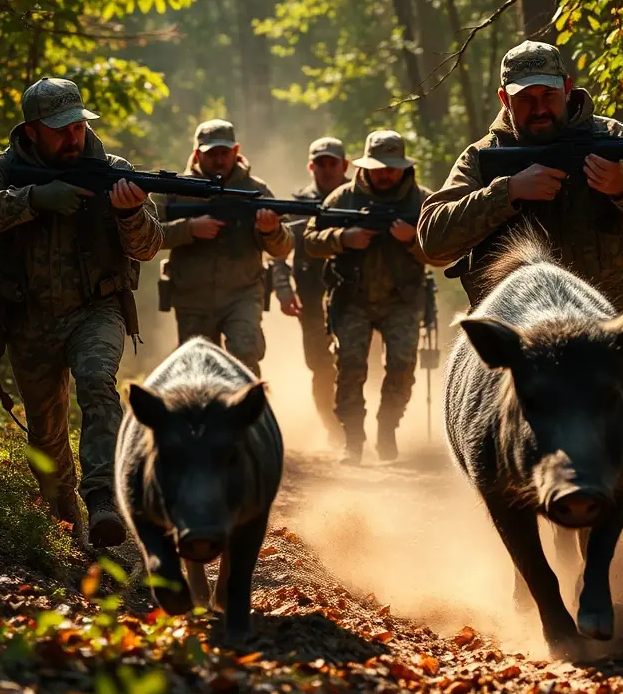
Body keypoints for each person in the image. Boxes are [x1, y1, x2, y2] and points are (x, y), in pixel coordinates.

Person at [0, 77, 163, 546]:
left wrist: (130, 214)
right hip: (28, 317)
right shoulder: (1, 171)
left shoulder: (115, 171)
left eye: (78, 126)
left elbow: (148, 248)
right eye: (60, 129)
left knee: (99, 383)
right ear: (31, 131)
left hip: (95, 309)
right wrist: (33, 199)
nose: (73, 136)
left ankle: (104, 497)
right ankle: (67, 522)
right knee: (46, 433)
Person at [417, 41, 623, 307]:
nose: (539, 109)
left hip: (605, 326)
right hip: (514, 330)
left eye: (548, 95)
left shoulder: (612, 139)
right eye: (525, 99)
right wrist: (508, 192)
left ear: (567, 88)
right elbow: (433, 239)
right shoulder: (483, 155)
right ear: (505, 100)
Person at [304, 130, 448, 465]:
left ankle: (388, 428)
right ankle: (353, 440)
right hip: (352, 300)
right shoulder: (342, 199)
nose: (386, 174)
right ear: (366, 166)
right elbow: (310, 240)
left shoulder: (424, 201)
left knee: (402, 366)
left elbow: (444, 254)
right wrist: (343, 238)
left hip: (403, 301)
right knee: (349, 369)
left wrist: (413, 239)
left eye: (392, 167)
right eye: (380, 167)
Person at [159, 119, 292, 376]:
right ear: (197, 154)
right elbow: (146, 237)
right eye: (211, 154)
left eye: (224, 153)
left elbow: (284, 246)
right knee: (196, 372)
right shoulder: (175, 190)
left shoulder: (256, 190)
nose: (219, 160)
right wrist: (189, 229)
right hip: (192, 298)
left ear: (236, 151)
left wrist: (271, 230)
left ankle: (249, 414)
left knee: (245, 356)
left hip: (242, 295)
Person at [271, 137, 349, 440]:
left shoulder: (361, 197)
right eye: (321, 164)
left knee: (362, 362)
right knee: (320, 367)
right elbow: (277, 250)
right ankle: (332, 428)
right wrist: (283, 289)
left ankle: (357, 426)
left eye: (333, 163)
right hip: (311, 298)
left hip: (360, 296)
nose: (327, 170)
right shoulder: (296, 205)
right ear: (311, 167)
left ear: (344, 165)